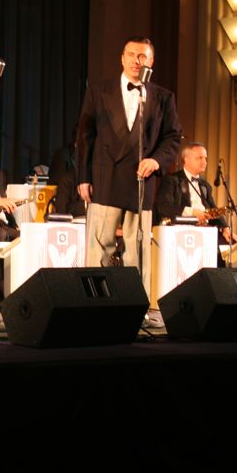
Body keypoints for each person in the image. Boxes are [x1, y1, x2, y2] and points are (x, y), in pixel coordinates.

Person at [76, 36, 182, 310]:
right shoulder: (99, 92)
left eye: (143, 56)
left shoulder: (163, 97)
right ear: (122, 59)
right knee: (100, 248)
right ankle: (94, 306)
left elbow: (173, 138)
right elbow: (85, 136)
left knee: (138, 251)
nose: (137, 61)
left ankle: (137, 309)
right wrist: (83, 177)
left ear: (151, 62)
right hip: (105, 180)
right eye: (132, 55)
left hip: (141, 182)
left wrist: (156, 161)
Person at [154, 141, 233, 256]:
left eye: (205, 158)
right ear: (186, 160)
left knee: (229, 248)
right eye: (199, 158)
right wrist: (192, 212)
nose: (204, 162)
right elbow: (163, 207)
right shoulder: (171, 180)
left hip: (204, 232)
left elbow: (213, 209)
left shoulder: (205, 185)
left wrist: (225, 227)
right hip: (180, 232)